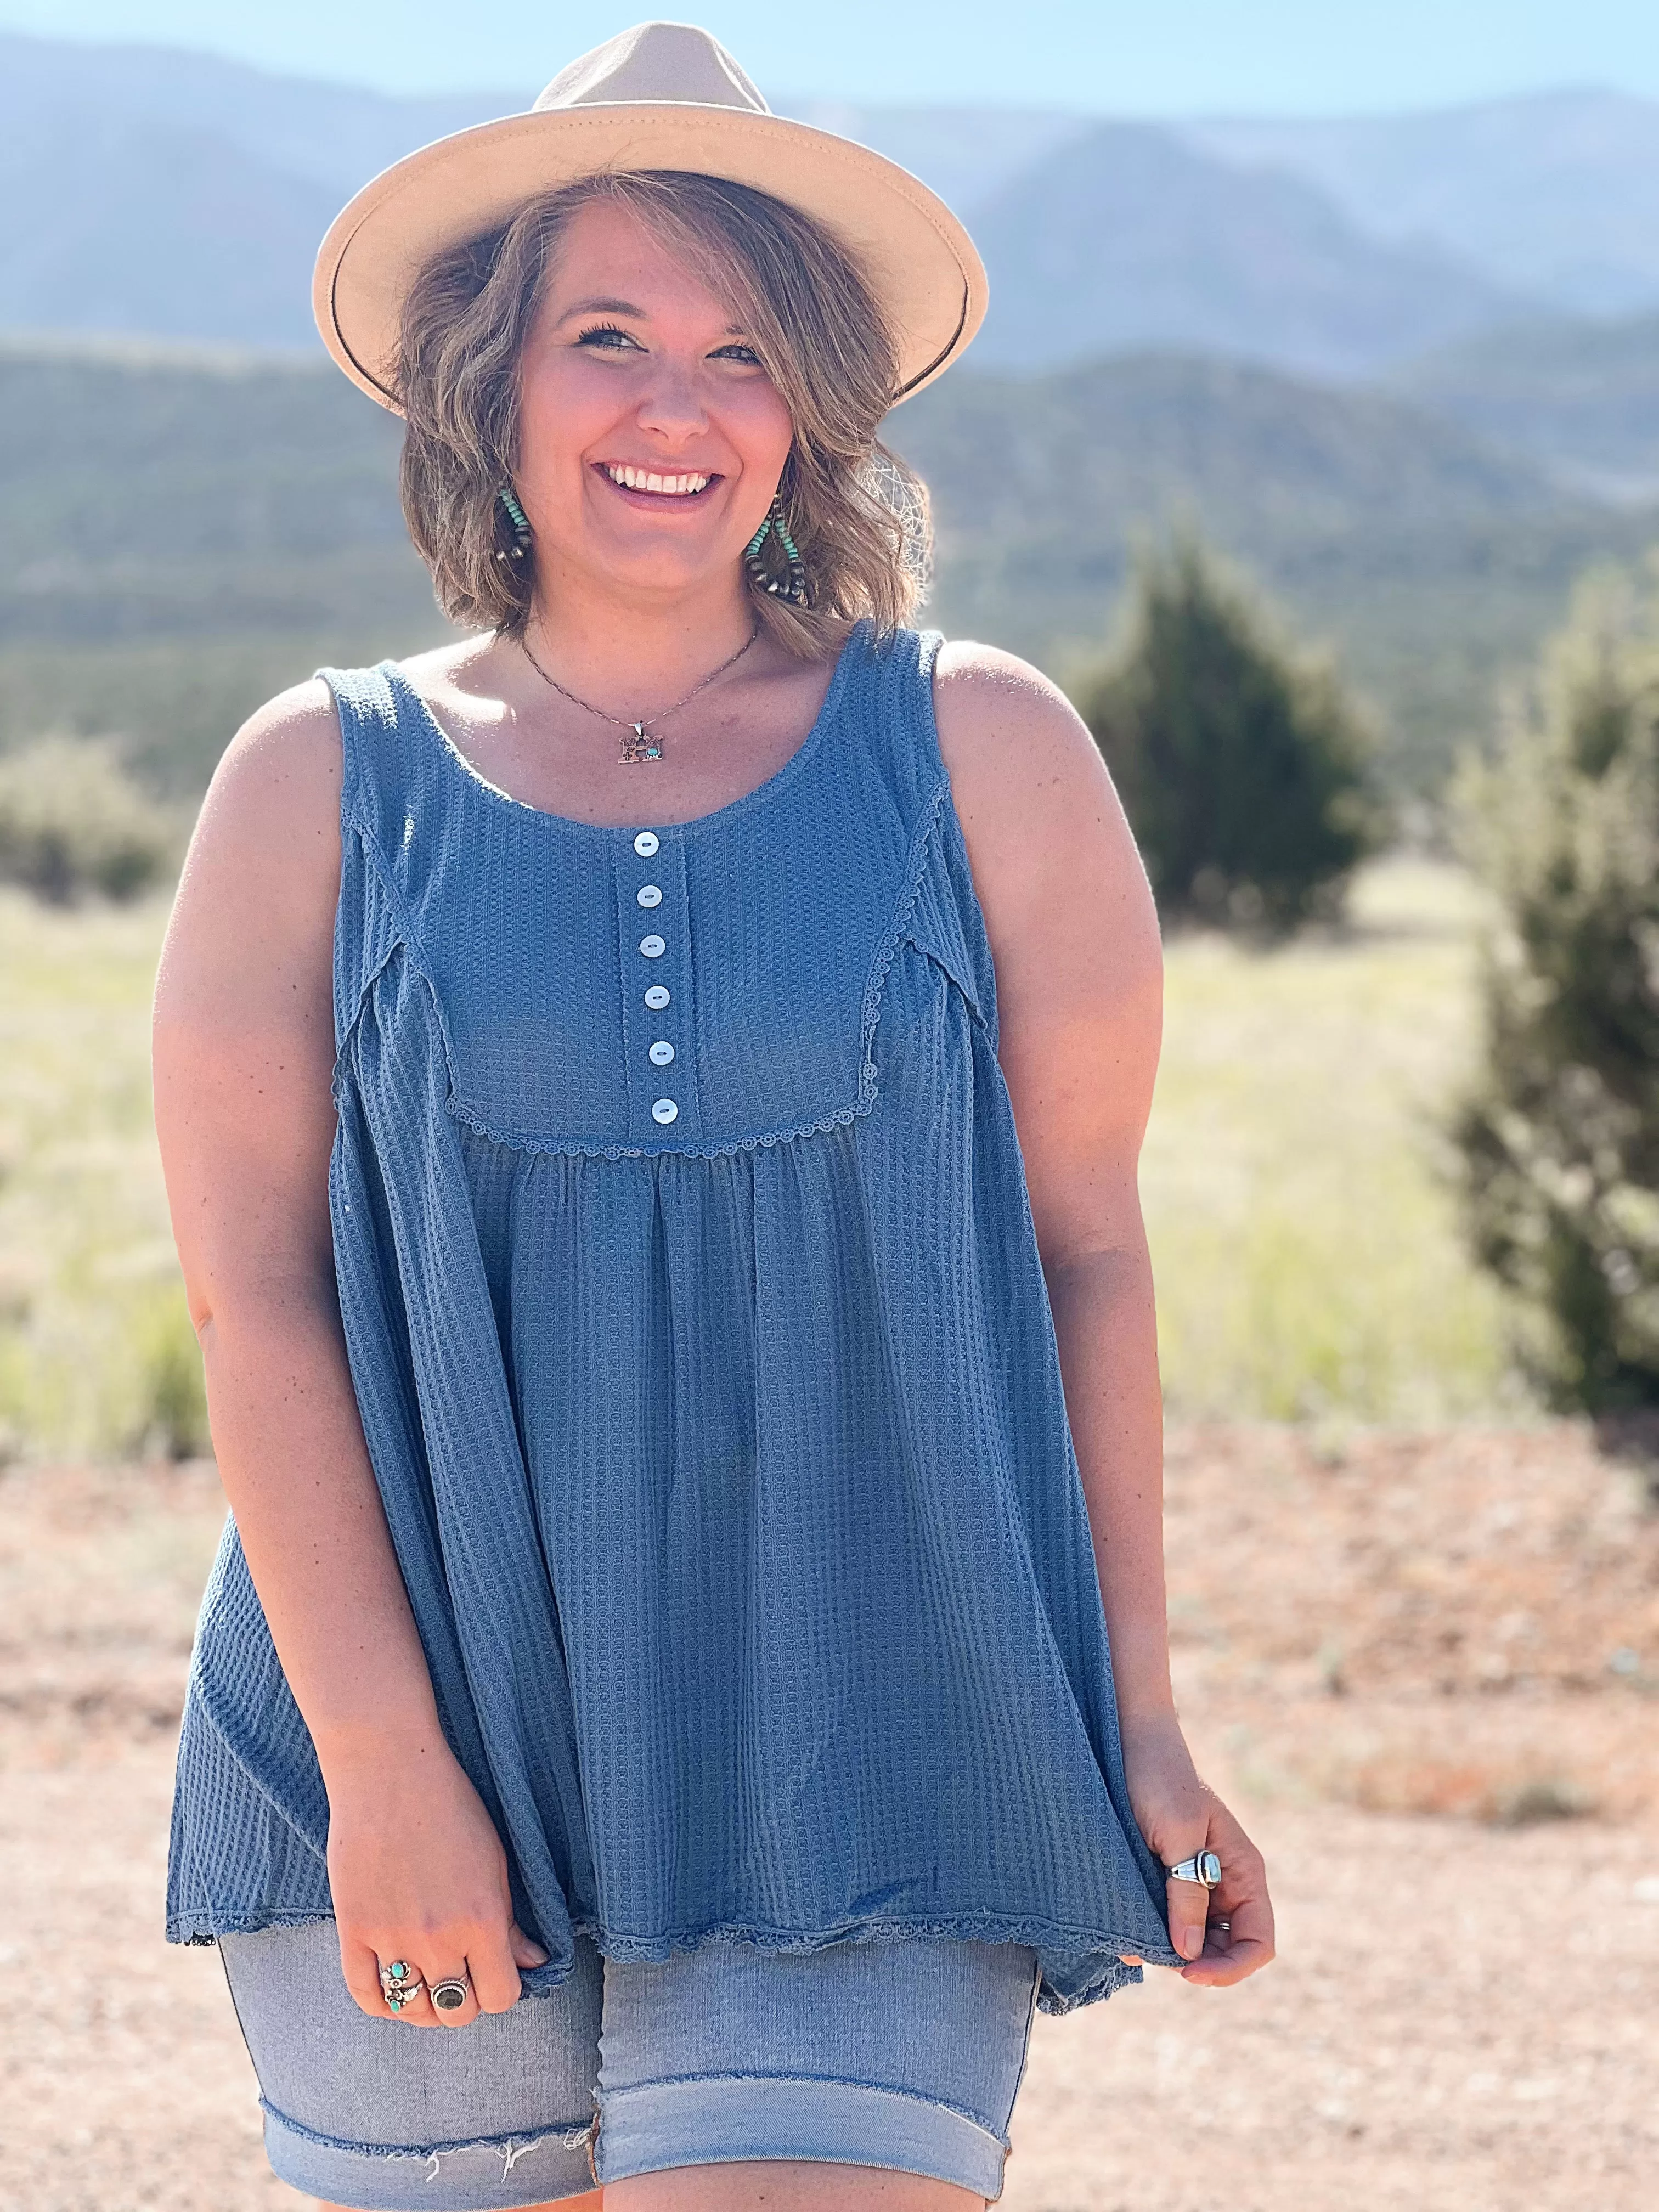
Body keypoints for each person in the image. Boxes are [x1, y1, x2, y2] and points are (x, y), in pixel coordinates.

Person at [152, 21, 1273, 2212]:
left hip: (882, 1724)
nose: (679, 409)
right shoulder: (312, 783)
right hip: (415, 1726)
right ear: (489, 383)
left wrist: (1140, 1706)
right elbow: (253, 1299)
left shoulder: (987, 751)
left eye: (745, 352)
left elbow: (1089, 1250)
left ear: (814, 410)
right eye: (609, 338)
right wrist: (382, 1766)